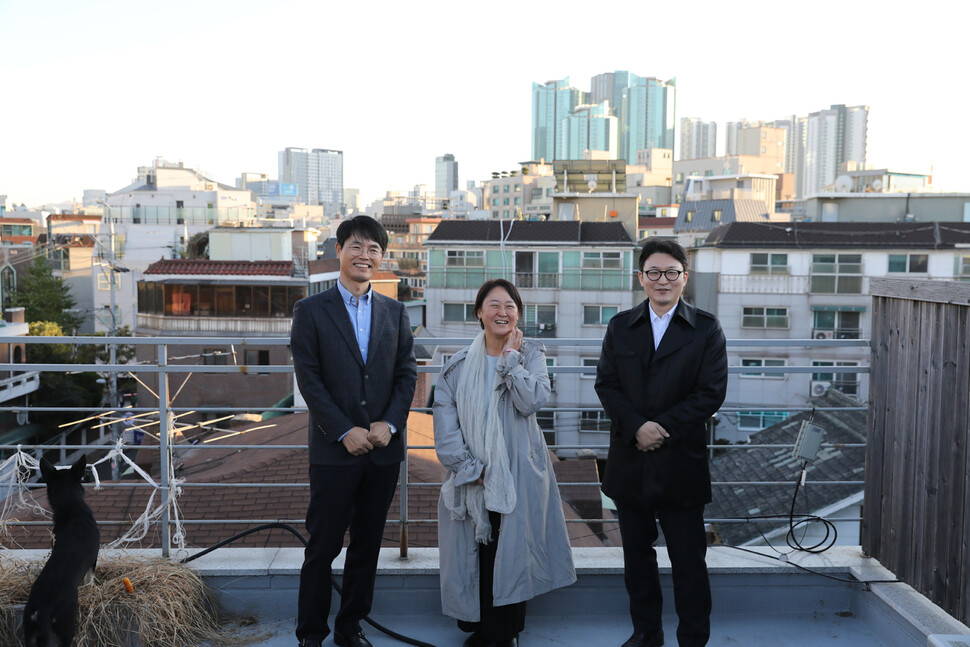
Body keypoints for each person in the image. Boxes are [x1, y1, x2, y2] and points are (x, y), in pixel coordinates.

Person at [290, 215, 417, 647]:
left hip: (382, 450)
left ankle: (350, 627)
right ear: (339, 250)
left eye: (374, 249)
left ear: (381, 258)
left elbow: (406, 375)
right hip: (333, 450)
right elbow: (309, 379)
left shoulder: (395, 311)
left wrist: (390, 423)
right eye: (357, 246)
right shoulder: (310, 310)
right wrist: (343, 430)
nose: (365, 255)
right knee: (322, 548)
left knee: (366, 547)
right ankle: (310, 634)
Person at [595, 239, 728, 647]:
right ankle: (646, 634)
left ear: (684, 278)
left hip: (680, 462)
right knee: (637, 560)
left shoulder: (705, 328)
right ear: (641, 278)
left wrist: (659, 427)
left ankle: (692, 638)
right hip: (630, 460)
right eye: (653, 272)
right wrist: (638, 427)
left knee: (689, 560)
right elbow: (607, 385)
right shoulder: (620, 326)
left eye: (672, 272)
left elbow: (710, 393)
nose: (662, 280)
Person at [434, 279, 576, 647]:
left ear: (519, 314)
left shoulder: (530, 354)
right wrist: (468, 468)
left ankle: (506, 632)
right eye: (493, 305)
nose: (502, 312)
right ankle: (481, 630)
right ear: (479, 313)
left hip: (519, 472)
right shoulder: (457, 366)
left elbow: (532, 401)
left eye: (510, 305)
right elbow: (445, 425)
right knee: (477, 551)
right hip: (473, 475)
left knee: (513, 552)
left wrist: (511, 361)